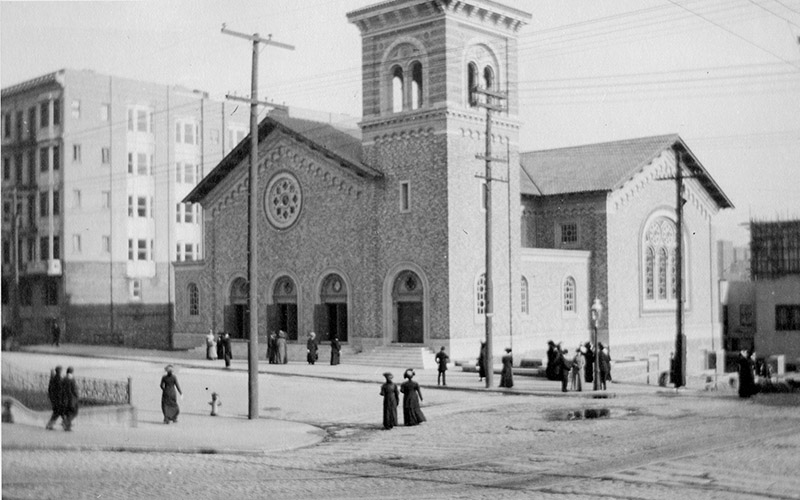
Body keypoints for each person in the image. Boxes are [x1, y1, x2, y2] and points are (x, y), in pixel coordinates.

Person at [45, 366, 63, 430]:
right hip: (58, 399)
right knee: (58, 412)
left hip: (54, 398)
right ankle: (66, 424)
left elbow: (50, 389)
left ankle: (50, 424)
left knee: (57, 412)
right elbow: (60, 390)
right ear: (59, 371)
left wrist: (50, 396)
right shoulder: (58, 379)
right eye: (61, 370)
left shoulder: (54, 378)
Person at [61, 367, 79, 431]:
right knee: (74, 412)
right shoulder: (72, 379)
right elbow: (74, 389)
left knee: (68, 412)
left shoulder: (64, 378)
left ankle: (68, 426)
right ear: (72, 372)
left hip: (64, 398)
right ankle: (66, 422)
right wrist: (77, 396)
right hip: (71, 398)